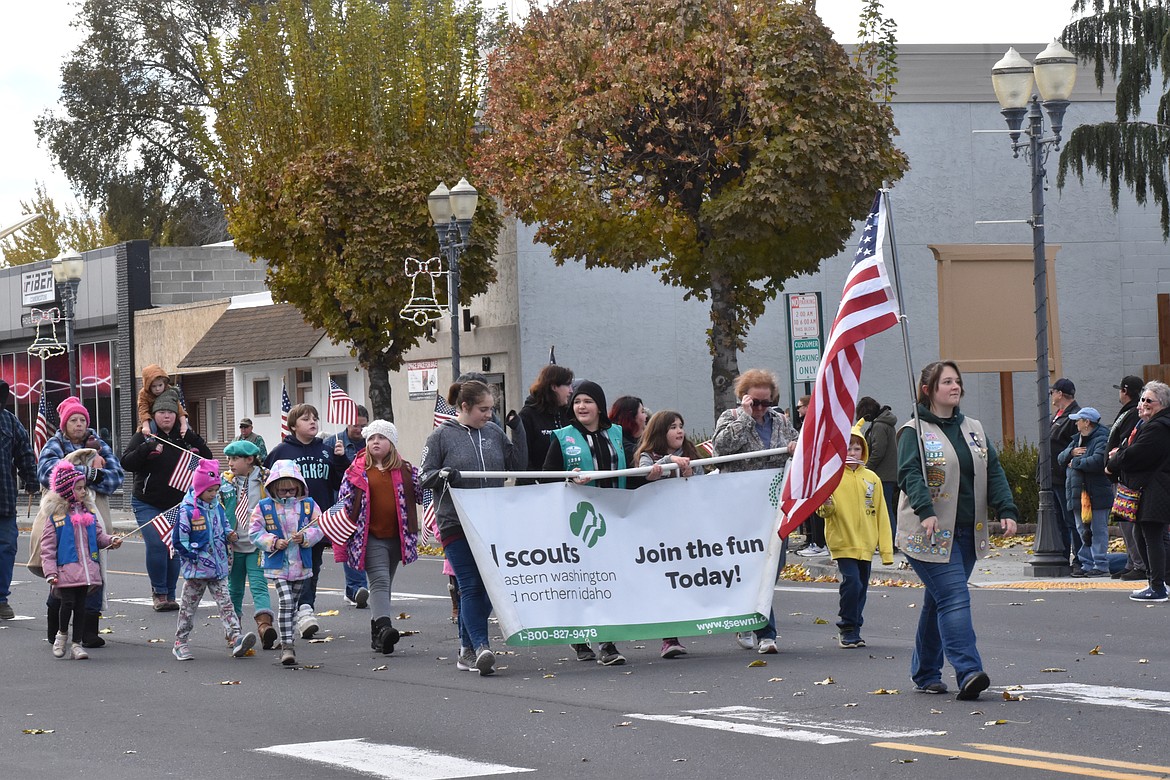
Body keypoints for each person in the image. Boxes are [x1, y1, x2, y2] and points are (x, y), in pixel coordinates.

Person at [896, 360, 1018, 700]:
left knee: (939, 602)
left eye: (957, 381)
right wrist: (925, 510)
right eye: (946, 381)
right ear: (928, 390)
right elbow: (909, 473)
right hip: (928, 533)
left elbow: (992, 470)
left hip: (966, 533)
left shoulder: (973, 428)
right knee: (953, 597)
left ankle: (924, 672)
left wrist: (1006, 508)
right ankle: (968, 671)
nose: (955, 387)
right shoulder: (913, 430)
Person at [420, 380, 526, 676]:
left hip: (491, 521)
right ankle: (481, 647)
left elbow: (517, 465)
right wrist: (444, 476)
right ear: (464, 407)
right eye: (483, 409)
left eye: (492, 409)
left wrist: (519, 431)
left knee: (490, 587)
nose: (489, 415)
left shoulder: (493, 432)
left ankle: (466, 649)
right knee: (470, 585)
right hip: (456, 521)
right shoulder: (441, 436)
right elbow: (423, 477)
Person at [542, 380, 630, 666]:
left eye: (588, 401)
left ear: (599, 406)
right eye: (577, 401)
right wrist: (569, 476)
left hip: (613, 515)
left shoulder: (616, 433)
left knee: (609, 579)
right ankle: (579, 636)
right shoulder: (563, 436)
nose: (581, 406)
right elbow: (545, 476)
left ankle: (607, 643)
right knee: (581, 580)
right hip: (576, 519)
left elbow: (633, 466)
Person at [711, 368, 798, 654]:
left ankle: (747, 615)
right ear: (744, 398)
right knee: (752, 567)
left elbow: (798, 445)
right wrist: (747, 419)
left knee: (775, 565)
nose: (761, 408)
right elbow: (721, 450)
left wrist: (796, 446)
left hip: (773, 506)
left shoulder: (782, 421)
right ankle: (765, 632)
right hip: (741, 508)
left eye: (766, 402)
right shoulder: (732, 418)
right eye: (756, 402)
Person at [33, 395, 125, 647]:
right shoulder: (54, 444)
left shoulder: (100, 444)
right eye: (73, 420)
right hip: (62, 515)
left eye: (82, 419)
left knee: (94, 567)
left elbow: (116, 477)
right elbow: (47, 474)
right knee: (64, 567)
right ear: (64, 425)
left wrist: (89, 473)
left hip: (92, 512)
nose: (78, 424)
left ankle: (89, 630)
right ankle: (56, 623)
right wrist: (87, 467)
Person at [120, 390, 213, 611]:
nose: (166, 416)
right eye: (161, 412)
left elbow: (207, 459)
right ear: (154, 415)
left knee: (175, 547)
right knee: (157, 544)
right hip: (147, 502)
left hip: (178, 503)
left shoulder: (184, 435)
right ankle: (159, 592)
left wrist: (190, 437)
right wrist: (146, 448)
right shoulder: (145, 434)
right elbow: (126, 462)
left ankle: (170, 595)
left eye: (170, 412)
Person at [264, 403, 348, 638]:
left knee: (312, 566)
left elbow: (340, 484)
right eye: (306, 419)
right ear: (293, 426)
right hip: (284, 524)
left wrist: (341, 460)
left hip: (315, 521)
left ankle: (305, 610)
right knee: (288, 571)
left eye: (315, 418)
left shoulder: (327, 450)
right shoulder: (281, 451)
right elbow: (264, 481)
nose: (312, 422)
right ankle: (293, 610)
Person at [337, 420, 420, 655]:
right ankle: (385, 628)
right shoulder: (356, 471)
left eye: (381, 438)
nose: (375, 442)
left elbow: (422, 495)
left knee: (384, 585)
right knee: (380, 582)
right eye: (372, 438)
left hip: (398, 537)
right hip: (369, 537)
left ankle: (377, 636)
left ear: (391, 443)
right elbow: (344, 502)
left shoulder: (406, 470)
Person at [172, 458, 259, 661]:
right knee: (188, 607)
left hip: (219, 567)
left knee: (226, 604)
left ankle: (236, 637)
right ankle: (180, 642)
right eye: (210, 491)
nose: (213, 494)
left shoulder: (216, 507)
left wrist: (229, 533)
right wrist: (194, 556)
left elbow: (225, 523)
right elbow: (179, 540)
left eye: (216, 490)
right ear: (200, 488)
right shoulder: (187, 511)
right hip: (197, 570)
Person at [818, 422, 893, 648]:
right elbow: (823, 511)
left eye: (856, 448)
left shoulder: (872, 478)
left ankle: (855, 628)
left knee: (861, 586)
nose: (852, 453)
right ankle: (847, 626)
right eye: (847, 448)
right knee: (852, 582)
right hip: (843, 540)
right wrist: (827, 503)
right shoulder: (832, 475)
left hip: (866, 544)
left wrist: (886, 550)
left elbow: (881, 513)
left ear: (864, 450)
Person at [636, 409, 703, 659]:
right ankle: (669, 637)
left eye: (681, 425)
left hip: (687, 528)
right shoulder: (647, 455)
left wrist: (689, 473)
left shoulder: (691, 454)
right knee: (666, 582)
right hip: (658, 532)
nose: (679, 431)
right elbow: (644, 472)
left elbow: (705, 483)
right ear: (660, 432)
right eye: (673, 426)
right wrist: (667, 463)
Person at [38, 461, 122, 659]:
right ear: (67, 490)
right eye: (79, 488)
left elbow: (99, 538)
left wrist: (111, 540)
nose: (84, 491)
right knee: (67, 604)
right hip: (66, 572)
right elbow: (47, 549)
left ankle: (76, 644)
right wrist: (50, 572)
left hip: (87, 571)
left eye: (84, 487)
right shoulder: (57, 518)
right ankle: (62, 635)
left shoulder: (89, 515)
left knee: (81, 607)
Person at [250, 460, 325, 665]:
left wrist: (306, 537)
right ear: (274, 487)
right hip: (278, 566)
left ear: (299, 486)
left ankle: (288, 638)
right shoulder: (264, 507)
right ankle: (287, 646)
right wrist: (273, 542)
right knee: (286, 602)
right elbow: (254, 531)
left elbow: (319, 527)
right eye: (282, 491)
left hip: (302, 565)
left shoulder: (309, 505)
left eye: (291, 489)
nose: (287, 494)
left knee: (292, 606)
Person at [1108, 381, 1170, 602]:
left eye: (1149, 400)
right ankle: (1161, 582)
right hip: (1154, 488)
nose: (1143, 403)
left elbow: (1136, 454)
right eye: (1143, 399)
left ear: (1161, 403)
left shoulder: (1158, 427)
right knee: (1148, 535)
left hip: (1156, 489)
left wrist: (1114, 461)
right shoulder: (1151, 424)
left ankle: (1158, 587)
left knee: (1151, 536)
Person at [221, 440, 277, 650]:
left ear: (250, 459)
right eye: (228, 459)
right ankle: (234, 631)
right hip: (232, 545)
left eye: (235, 459)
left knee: (259, 586)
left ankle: (265, 627)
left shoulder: (266, 479)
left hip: (257, 544)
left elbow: (277, 503)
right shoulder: (225, 482)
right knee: (233, 589)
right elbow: (217, 508)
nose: (230, 463)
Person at [324, 404, 371, 609]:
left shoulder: (373, 442)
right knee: (351, 543)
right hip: (343, 503)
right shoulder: (332, 443)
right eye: (355, 425)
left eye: (363, 425)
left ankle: (357, 587)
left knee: (370, 546)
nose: (359, 430)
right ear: (346, 422)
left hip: (369, 502)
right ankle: (356, 588)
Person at [1057, 408, 1112, 577]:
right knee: (1082, 530)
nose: (1075, 423)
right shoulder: (1076, 440)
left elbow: (1097, 461)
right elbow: (1060, 458)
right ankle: (1086, 564)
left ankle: (1100, 565)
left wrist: (1075, 462)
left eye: (1078, 420)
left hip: (1096, 494)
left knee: (1097, 529)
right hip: (1078, 495)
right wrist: (1071, 453)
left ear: (1087, 422)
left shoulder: (1102, 437)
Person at [0, 380, 38, 620]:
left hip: (4, 500)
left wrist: (31, 480)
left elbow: (24, 452)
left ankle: (1, 599)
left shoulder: (9, 421)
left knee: (7, 548)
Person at [1107, 375, 1145, 580]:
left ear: (1125, 391)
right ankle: (1132, 562)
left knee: (1129, 522)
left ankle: (1138, 563)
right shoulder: (1128, 412)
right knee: (1124, 521)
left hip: (1123, 477)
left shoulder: (1131, 414)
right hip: (1118, 476)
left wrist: (1113, 462)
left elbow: (1125, 443)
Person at [1047, 377, 1082, 573]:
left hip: (1064, 477)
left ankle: (1079, 559)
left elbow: (1076, 445)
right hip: (1053, 476)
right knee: (1059, 520)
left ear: (1060, 393)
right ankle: (1062, 558)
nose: (1051, 395)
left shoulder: (1075, 415)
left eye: (1053, 392)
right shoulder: (1058, 415)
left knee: (1070, 520)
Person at [517, 364, 574, 486]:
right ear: (554, 387)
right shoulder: (528, 415)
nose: (571, 390)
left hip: (566, 488)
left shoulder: (568, 414)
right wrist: (536, 483)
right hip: (537, 490)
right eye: (568, 385)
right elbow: (523, 456)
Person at [856, 396, 899, 536]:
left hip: (883, 475)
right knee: (886, 508)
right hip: (888, 474)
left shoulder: (879, 426)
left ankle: (889, 540)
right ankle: (889, 539)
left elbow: (878, 451)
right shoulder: (885, 423)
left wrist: (866, 468)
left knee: (884, 509)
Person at [609, 395, 650, 488]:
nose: (646, 417)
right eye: (642, 412)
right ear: (631, 417)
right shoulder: (620, 443)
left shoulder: (642, 441)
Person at [136, 364, 188, 436]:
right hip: (151, 419)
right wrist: (146, 427)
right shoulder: (143, 394)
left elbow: (179, 408)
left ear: (164, 383)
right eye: (154, 386)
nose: (157, 389)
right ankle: (150, 441)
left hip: (170, 421)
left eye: (160, 385)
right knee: (151, 427)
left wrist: (184, 425)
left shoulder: (169, 390)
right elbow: (143, 411)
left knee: (187, 427)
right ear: (148, 386)